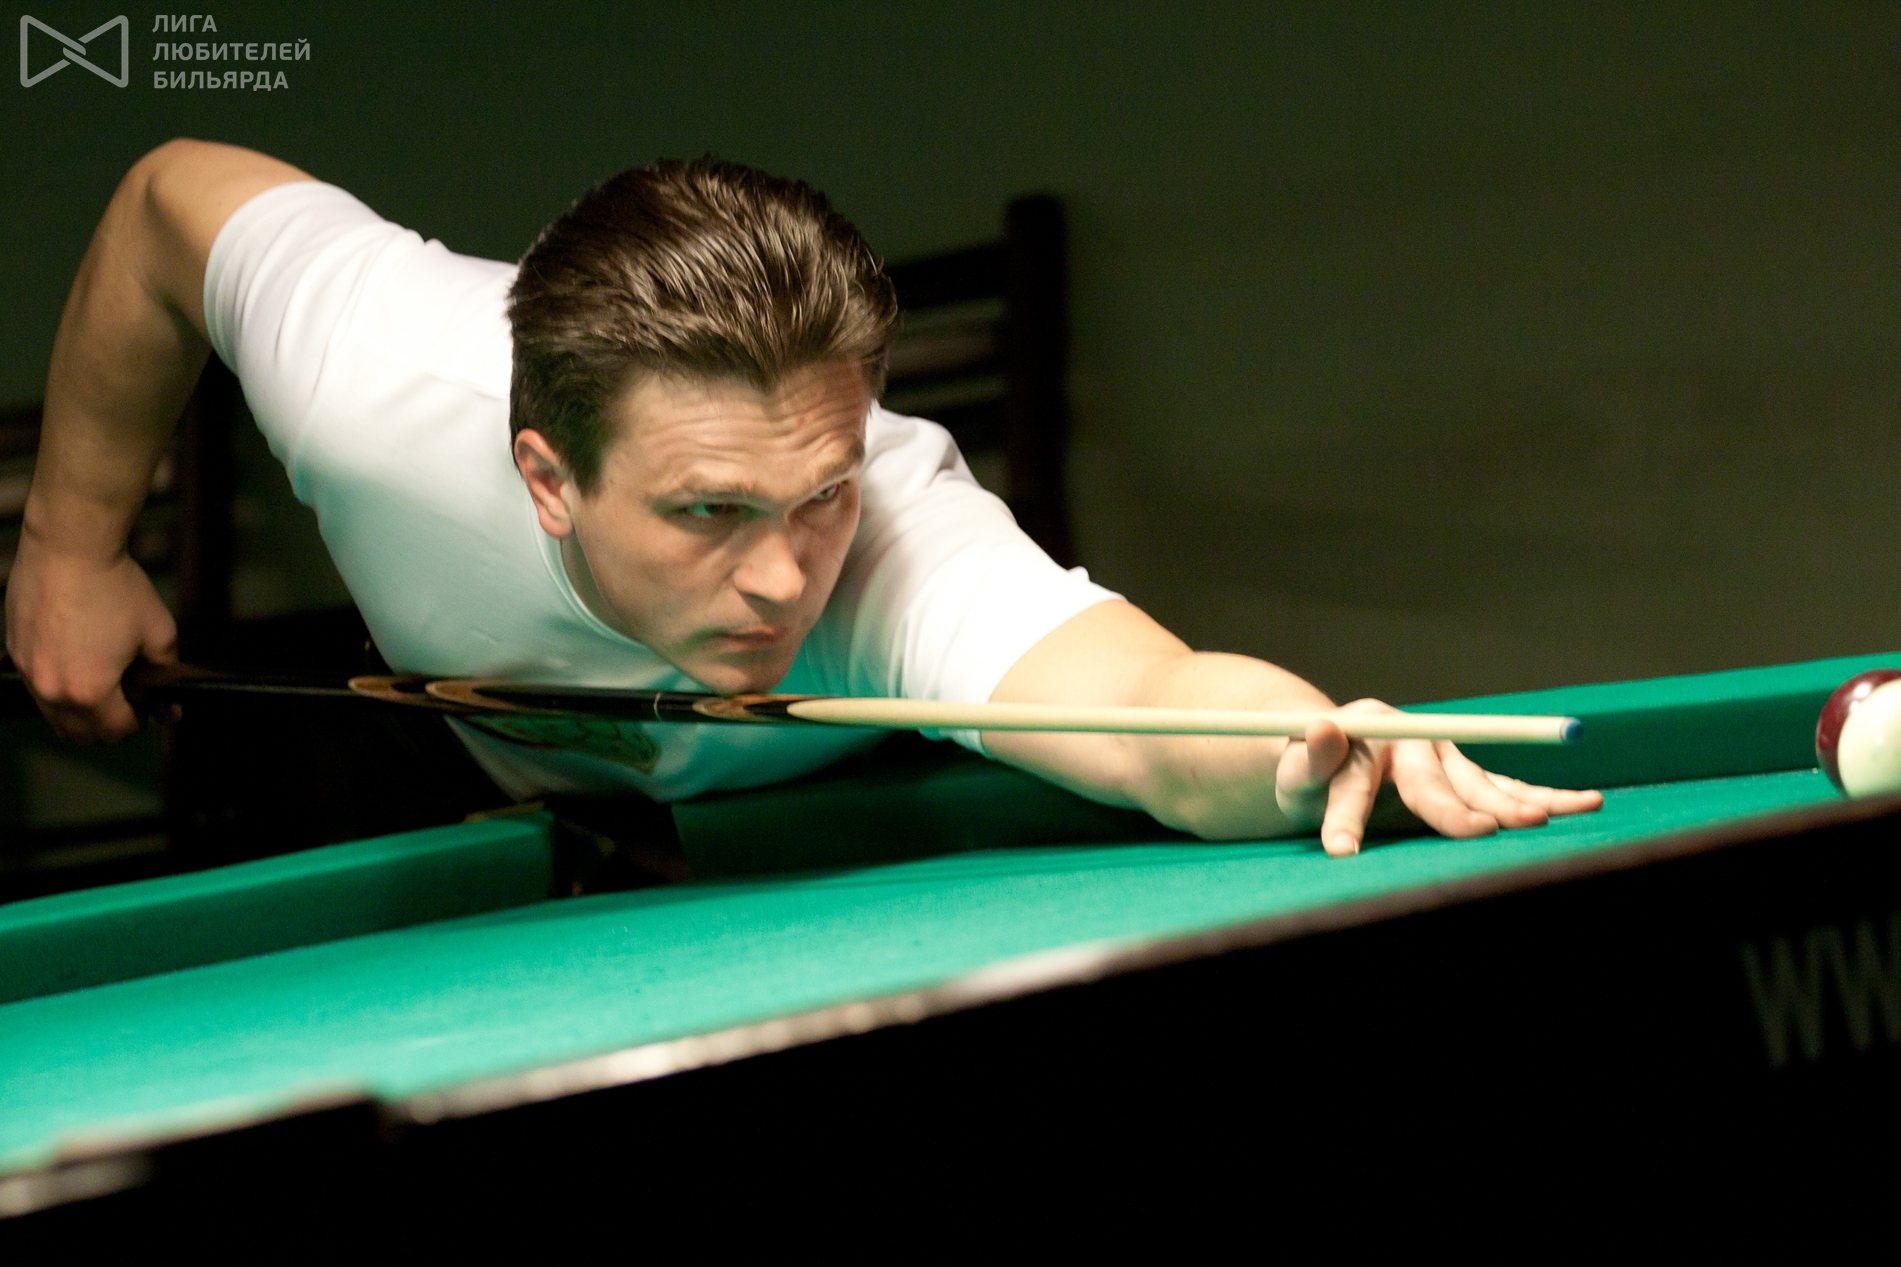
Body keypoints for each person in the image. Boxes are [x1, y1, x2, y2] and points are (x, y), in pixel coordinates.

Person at [5, 140, 1602, 856]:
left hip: (831, 820)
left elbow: (1148, 707)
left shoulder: (899, 539)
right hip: (486, 783)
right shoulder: (378, 383)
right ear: (544, 476)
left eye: (817, 494)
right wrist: (70, 549)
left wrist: (1303, 739)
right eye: (707, 513)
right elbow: (166, 202)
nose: (785, 578)